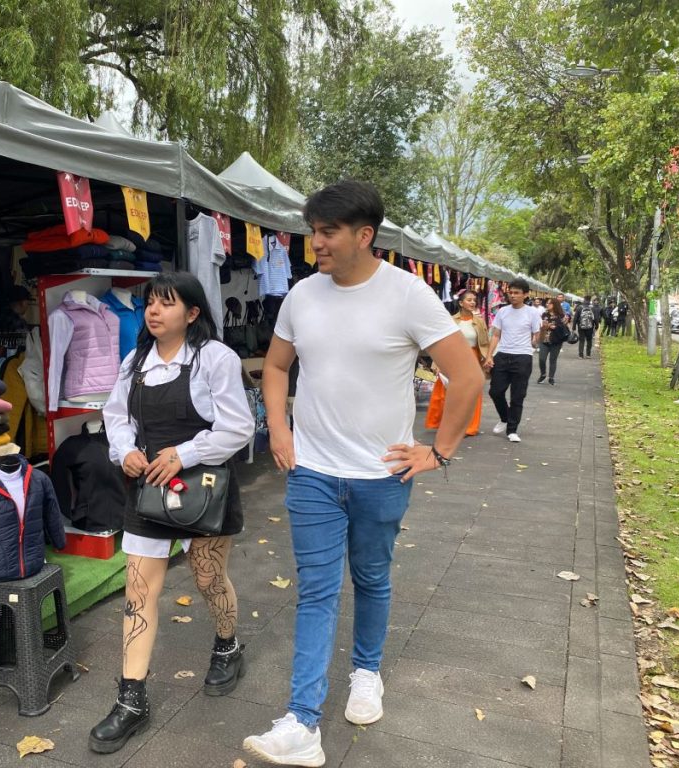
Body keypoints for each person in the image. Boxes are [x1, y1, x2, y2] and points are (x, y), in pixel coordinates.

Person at [242, 180, 483, 767]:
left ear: (364, 235)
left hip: (382, 477)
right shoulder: (302, 295)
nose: (315, 243)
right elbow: (276, 365)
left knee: (372, 578)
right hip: (313, 474)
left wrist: (438, 452)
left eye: (327, 233)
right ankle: (301, 722)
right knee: (317, 592)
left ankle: (367, 672)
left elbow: (467, 376)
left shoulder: (408, 296)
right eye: (313, 232)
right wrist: (278, 427)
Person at [90, 272, 254, 754]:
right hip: (148, 489)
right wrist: (126, 453)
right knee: (138, 592)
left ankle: (227, 644)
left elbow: (238, 426)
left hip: (202, 486)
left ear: (193, 313)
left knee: (208, 578)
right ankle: (131, 699)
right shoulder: (134, 361)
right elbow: (115, 416)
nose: (153, 312)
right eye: (149, 304)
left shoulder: (214, 359)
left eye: (166, 304)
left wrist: (183, 453)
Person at [425, 289, 489, 436]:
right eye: (469, 300)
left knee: (471, 393)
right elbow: (442, 343)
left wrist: (487, 359)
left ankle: (470, 427)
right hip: (453, 357)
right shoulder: (451, 321)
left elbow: (484, 343)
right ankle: (444, 424)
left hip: (473, 358)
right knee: (444, 391)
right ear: (461, 303)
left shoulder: (479, 322)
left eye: (474, 300)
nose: (472, 302)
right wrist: (437, 363)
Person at [485, 278, 542, 443]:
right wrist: (489, 355)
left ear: (525, 294)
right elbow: (496, 335)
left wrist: (538, 337)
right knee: (495, 391)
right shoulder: (503, 311)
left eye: (517, 293)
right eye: (511, 292)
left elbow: (535, 338)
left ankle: (512, 430)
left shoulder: (532, 313)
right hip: (502, 354)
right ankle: (505, 417)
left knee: (518, 396)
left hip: (523, 356)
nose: (513, 295)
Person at [537, 297, 569, 385]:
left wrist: (555, 327)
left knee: (553, 360)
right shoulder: (544, 314)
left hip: (556, 341)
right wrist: (545, 327)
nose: (547, 304)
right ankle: (543, 374)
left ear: (554, 305)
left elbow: (565, 328)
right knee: (541, 359)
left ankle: (551, 377)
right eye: (547, 303)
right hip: (544, 340)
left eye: (549, 303)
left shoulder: (562, 315)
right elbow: (540, 325)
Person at [573, 294, 599, 359]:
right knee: (589, 340)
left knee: (581, 340)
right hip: (590, 327)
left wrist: (573, 327)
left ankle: (580, 355)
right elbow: (595, 318)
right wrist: (596, 326)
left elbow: (575, 318)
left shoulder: (579, 307)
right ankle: (588, 354)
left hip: (581, 326)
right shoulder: (592, 308)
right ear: (590, 300)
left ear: (584, 299)